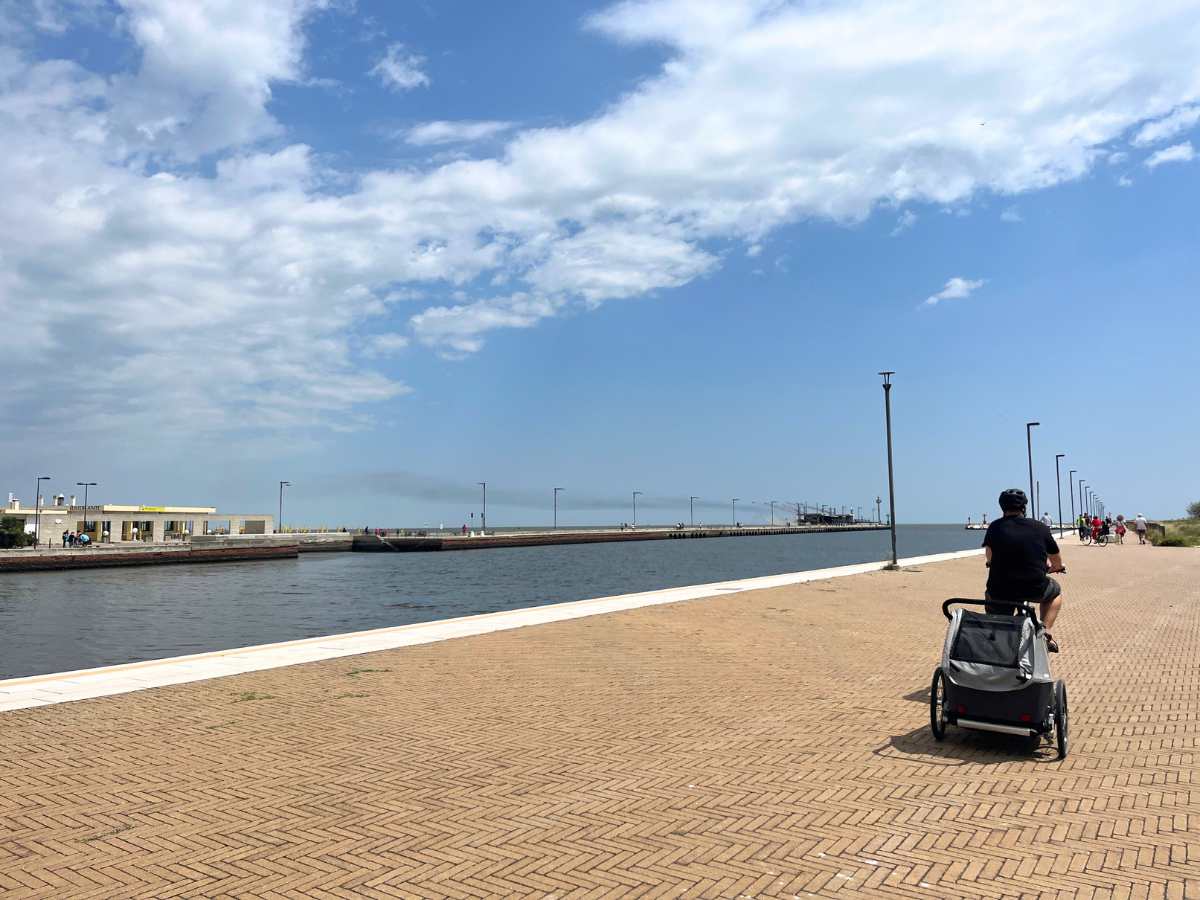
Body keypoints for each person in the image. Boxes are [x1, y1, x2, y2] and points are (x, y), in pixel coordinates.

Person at [982, 488, 1066, 652]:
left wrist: (991, 563)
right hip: (1034, 587)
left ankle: (996, 635)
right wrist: (1057, 567)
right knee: (1055, 592)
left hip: (1000, 589)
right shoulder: (1040, 527)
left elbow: (989, 554)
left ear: (1002, 507)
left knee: (992, 598)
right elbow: (1055, 557)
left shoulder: (994, 527)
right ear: (1024, 507)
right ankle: (1045, 632)